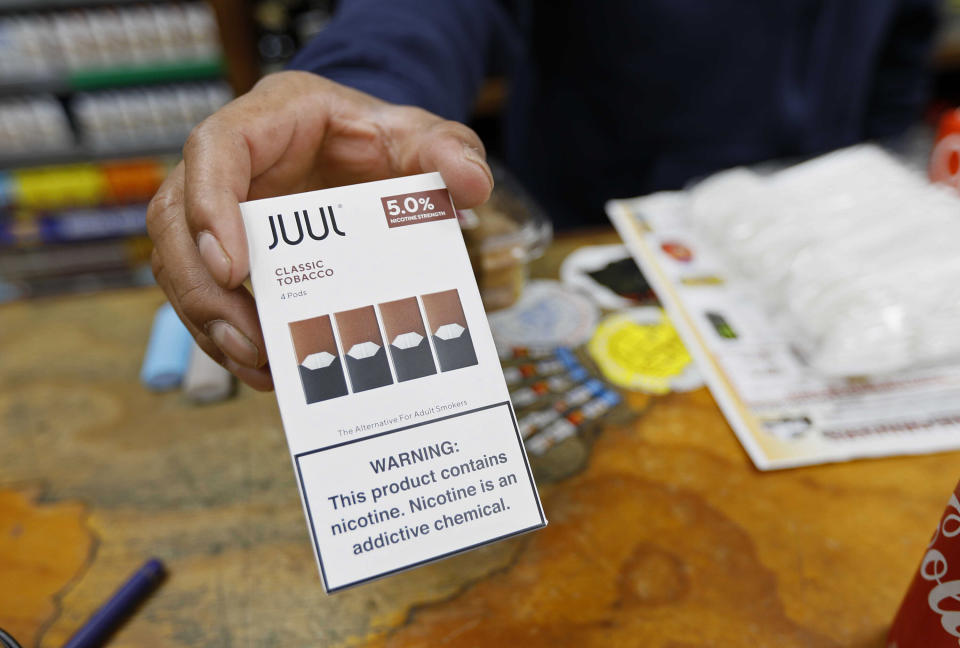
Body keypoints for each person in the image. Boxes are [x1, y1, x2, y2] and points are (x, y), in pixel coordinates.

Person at [147, 0, 940, 391]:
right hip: (581, 239)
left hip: (816, 252)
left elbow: (908, 27)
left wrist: (862, 176)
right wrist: (357, 95)